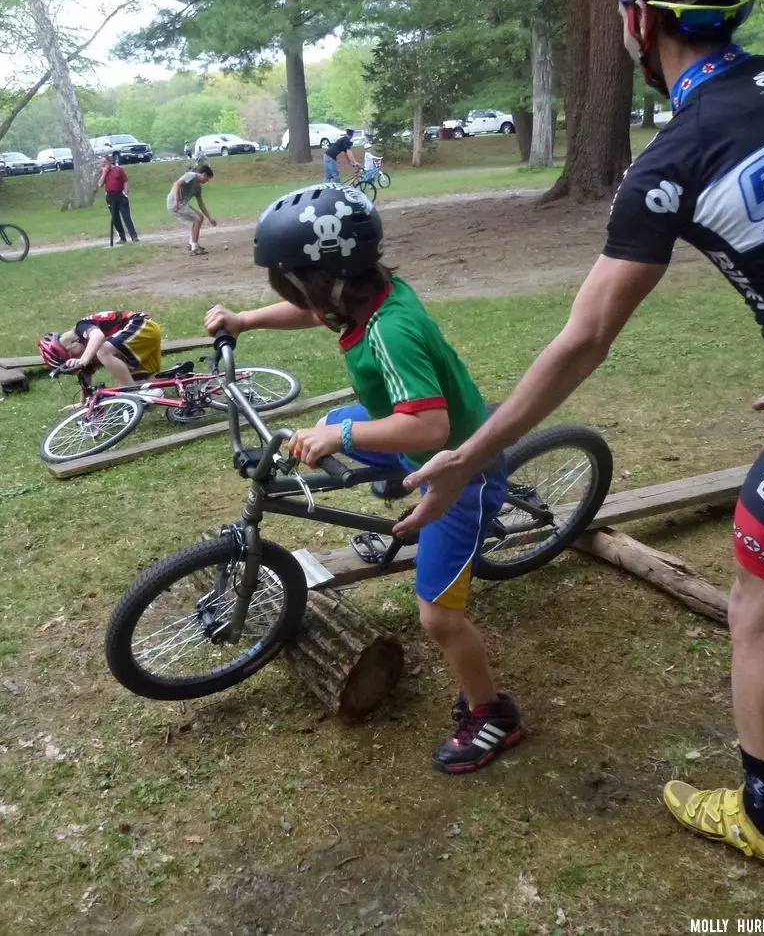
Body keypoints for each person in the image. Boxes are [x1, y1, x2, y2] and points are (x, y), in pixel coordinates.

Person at [396, 0, 764, 869]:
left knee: (759, 619)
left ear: (640, 24)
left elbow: (585, 339)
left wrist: (470, 455)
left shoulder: (670, 165)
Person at [204, 183, 524, 773]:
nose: (291, 294)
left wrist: (344, 440)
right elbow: (312, 312)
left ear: (319, 278)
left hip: (455, 469)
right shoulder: (361, 295)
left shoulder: (390, 330)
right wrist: (244, 319)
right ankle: (386, 474)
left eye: (288, 279)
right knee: (328, 422)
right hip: (409, 433)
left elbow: (430, 427)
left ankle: (493, 714)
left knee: (439, 617)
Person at [37, 310, 162, 387]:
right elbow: (85, 374)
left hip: (141, 325)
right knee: (144, 383)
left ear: (73, 342)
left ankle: (130, 391)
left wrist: (83, 359)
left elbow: (98, 336)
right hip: (141, 337)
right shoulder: (83, 345)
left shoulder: (82, 327)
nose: (75, 359)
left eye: (71, 356)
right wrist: (84, 402)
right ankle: (180, 377)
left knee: (103, 351)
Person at [167, 164, 216, 255]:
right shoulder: (191, 175)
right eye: (207, 178)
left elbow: (200, 203)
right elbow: (177, 184)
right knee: (197, 219)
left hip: (183, 203)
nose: (207, 181)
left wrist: (209, 218)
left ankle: (191, 243)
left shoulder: (198, 187)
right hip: (175, 202)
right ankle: (195, 247)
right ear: (204, 174)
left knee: (199, 217)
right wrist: (177, 202)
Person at [98, 155, 139, 245]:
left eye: (104, 162)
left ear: (109, 162)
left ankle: (134, 236)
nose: (103, 164)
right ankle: (122, 237)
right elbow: (100, 184)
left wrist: (125, 193)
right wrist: (104, 173)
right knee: (115, 218)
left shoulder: (118, 170)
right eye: (102, 163)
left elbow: (125, 181)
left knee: (126, 217)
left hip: (120, 195)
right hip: (110, 196)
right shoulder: (104, 172)